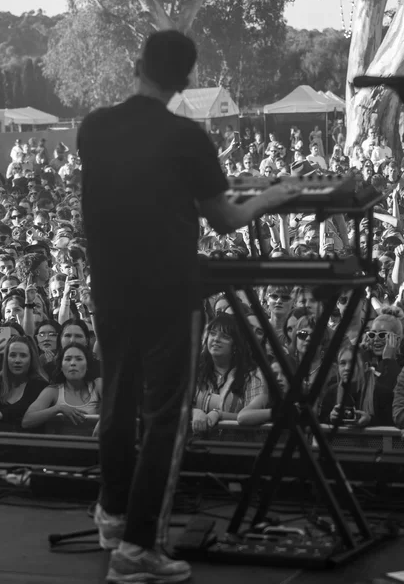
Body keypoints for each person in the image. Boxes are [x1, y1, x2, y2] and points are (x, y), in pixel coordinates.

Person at [79, 29, 299, 583]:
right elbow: (223, 217)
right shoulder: (187, 138)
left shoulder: (94, 127)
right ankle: (136, 552)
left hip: (109, 287)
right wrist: (272, 196)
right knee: (163, 419)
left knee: (115, 403)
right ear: (187, 81)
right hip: (166, 291)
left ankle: (114, 514)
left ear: (137, 64)